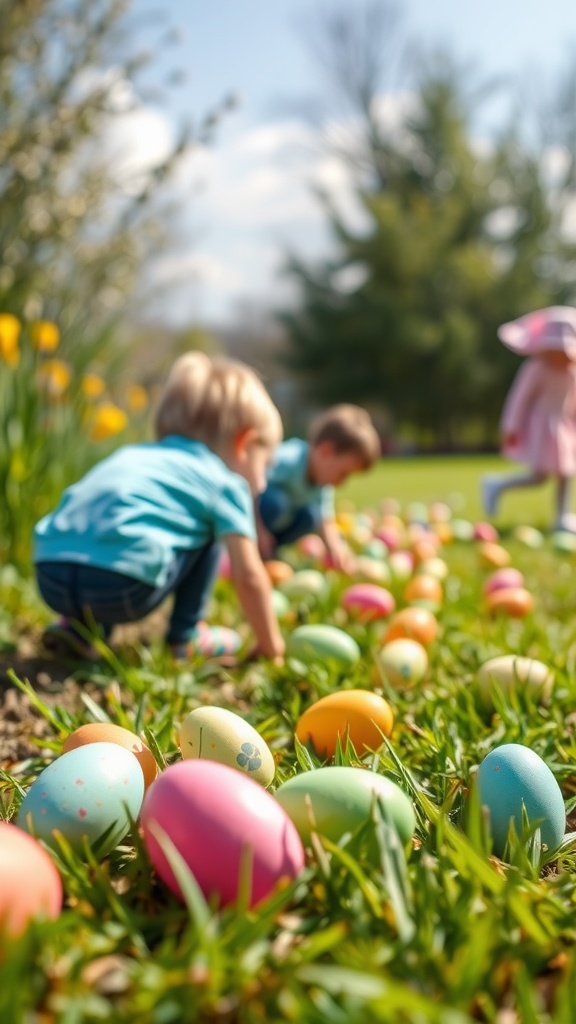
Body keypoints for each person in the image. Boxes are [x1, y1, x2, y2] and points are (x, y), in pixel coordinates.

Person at [33, 352, 286, 663]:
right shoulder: (225, 482)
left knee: (124, 530)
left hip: (50, 575)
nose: (263, 481)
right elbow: (247, 576)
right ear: (243, 444)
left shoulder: (129, 455)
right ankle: (185, 636)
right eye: (266, 463)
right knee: (207, 531)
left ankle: (78, 630)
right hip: (122, 588)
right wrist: (270, 645)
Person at [481, 306, 576, 530]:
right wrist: (510, 427)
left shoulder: (572, 372)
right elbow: (519, 400)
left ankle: (561, 516)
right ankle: (496, 484)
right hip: (542, 427)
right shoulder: (536, 368)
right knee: (540, 477)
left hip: (563, 428)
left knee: (566, 472)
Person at [256, 404, 381, 573]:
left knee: (311, 516)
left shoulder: (322, 480)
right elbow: (247, 489)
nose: (342, 482)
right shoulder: (288, 460)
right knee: (276, 502)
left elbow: (325, 520)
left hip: (275, 524)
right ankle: (251, 548)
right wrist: (259, 529)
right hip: (254, 512)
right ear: (326, 452)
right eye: (343, 473)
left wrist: (338, 551)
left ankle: (269, 554)